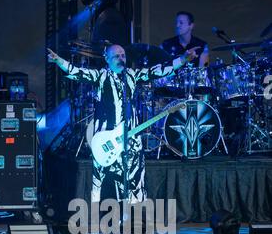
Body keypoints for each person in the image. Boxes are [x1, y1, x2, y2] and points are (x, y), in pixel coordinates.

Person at [47, 44, 199, 206]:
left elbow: (157, 70)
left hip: (131, 137)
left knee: (135, 176)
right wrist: (58, 61)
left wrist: (182, 59)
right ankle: (98, 214)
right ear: (107, 59)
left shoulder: (132, 75)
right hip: (106, 138)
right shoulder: (100, 76)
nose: (121, 59)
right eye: (116, 56)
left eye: (123, 55)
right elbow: (76, 71)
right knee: (101, 179)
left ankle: (135, 214)